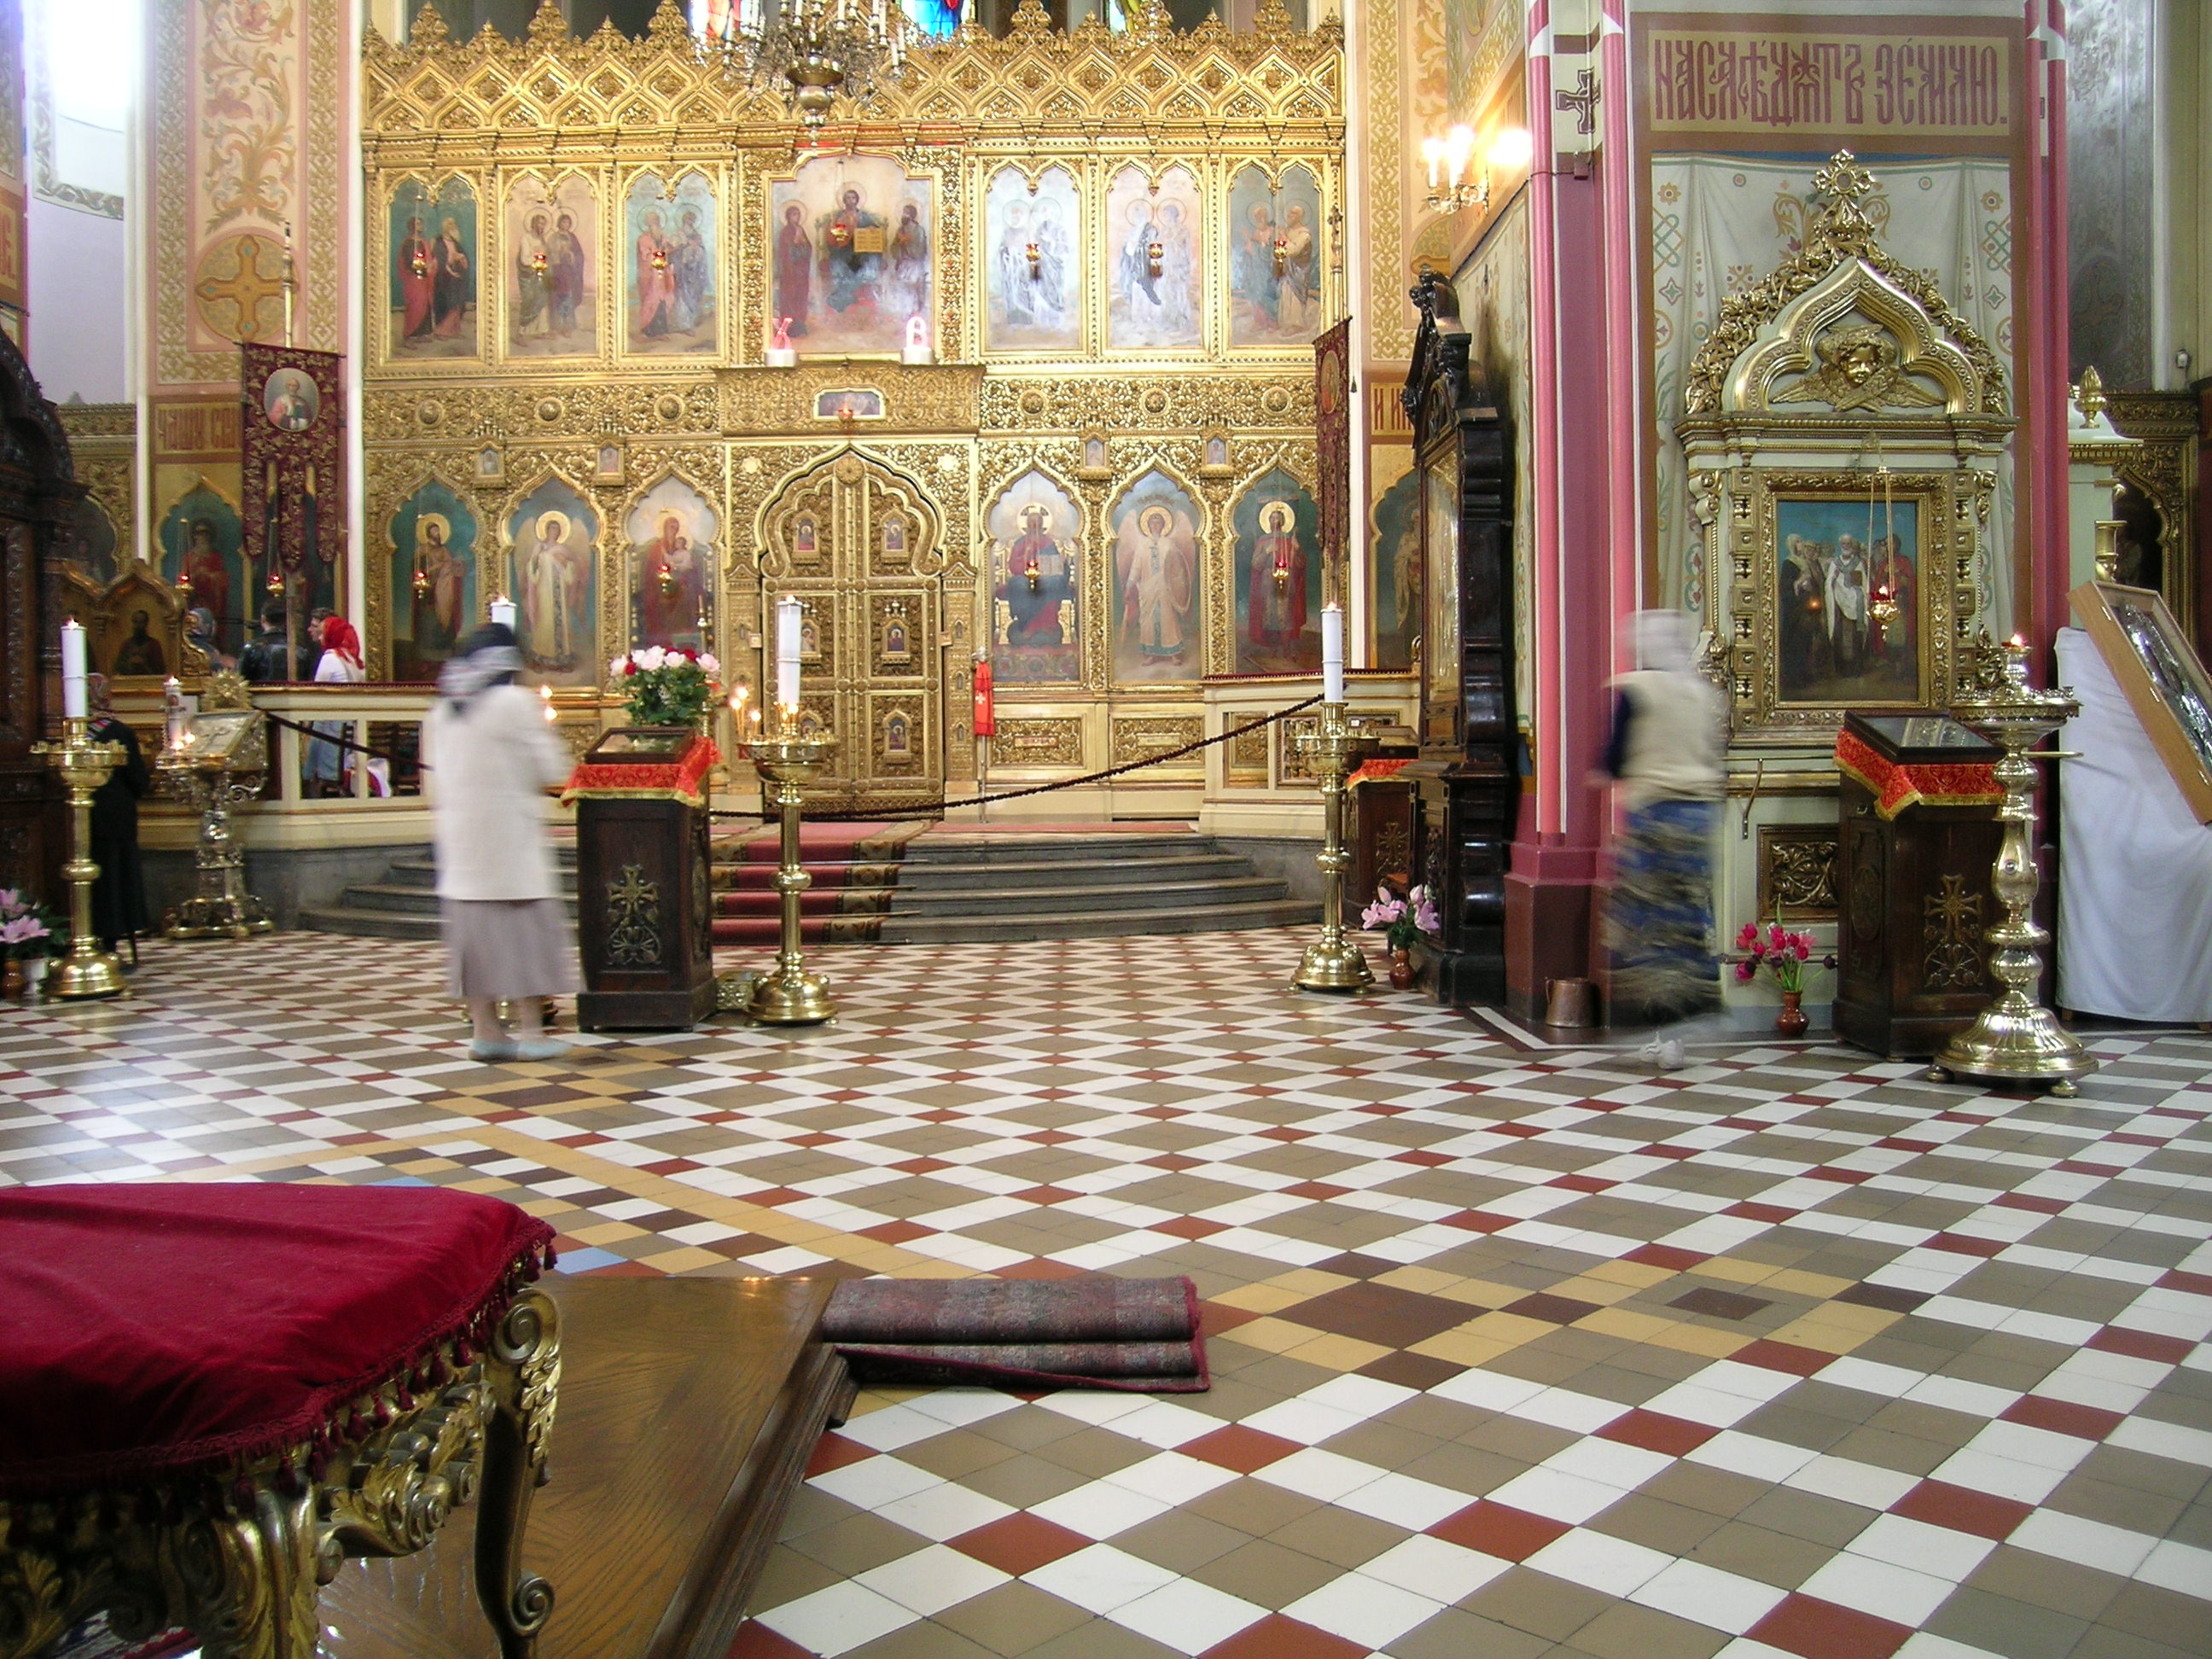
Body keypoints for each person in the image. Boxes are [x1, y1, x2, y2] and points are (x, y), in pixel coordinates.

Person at [427, 623, 577, 1062]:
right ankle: (532, 1031)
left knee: (476, 945)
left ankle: (486, 1031)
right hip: (508, 844)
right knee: (524, 939)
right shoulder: (512, 703)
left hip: (461, 845)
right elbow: (549, 766)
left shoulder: (444, 708)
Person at [1598, 609, 1725, 1064]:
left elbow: (1614, 759)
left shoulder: (1637, 690)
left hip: (1654, 817)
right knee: (1689, 922)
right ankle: (1689, 1021)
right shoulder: (1702, 693)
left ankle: (1659, 1025)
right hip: (1699, 820)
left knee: (1645, 926)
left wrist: (1603, 773)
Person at [84, 676, 148, 961]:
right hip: (114, 817)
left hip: (86, 818)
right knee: (115, 877)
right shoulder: (119, 732)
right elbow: (138, 779)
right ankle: (111, 941)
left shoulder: (66, 733)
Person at [307, 614, 364, 795]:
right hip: (351, 722)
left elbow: (317, 693)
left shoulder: (330, 658)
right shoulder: (351, 659)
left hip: (334, 724)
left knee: (312, 733)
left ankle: (309, 780)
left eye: (323, 633)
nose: (321, 637)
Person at [239, 602, 311, 683]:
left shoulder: (252, 648)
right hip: (293, 695)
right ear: (286, 621)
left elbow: (240, 682)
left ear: (263, 619)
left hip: (262, 695)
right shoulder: (300, 648)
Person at [109, 611, 167, 677]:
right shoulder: (126, 644)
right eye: (135, 622)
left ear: (146, 624)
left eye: (141, 622)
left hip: (149, 683)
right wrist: (130, 663)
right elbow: (118, 669)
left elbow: (160, 671)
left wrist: (143, 664)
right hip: (128, 683)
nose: (138, 626)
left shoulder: (154, 645)